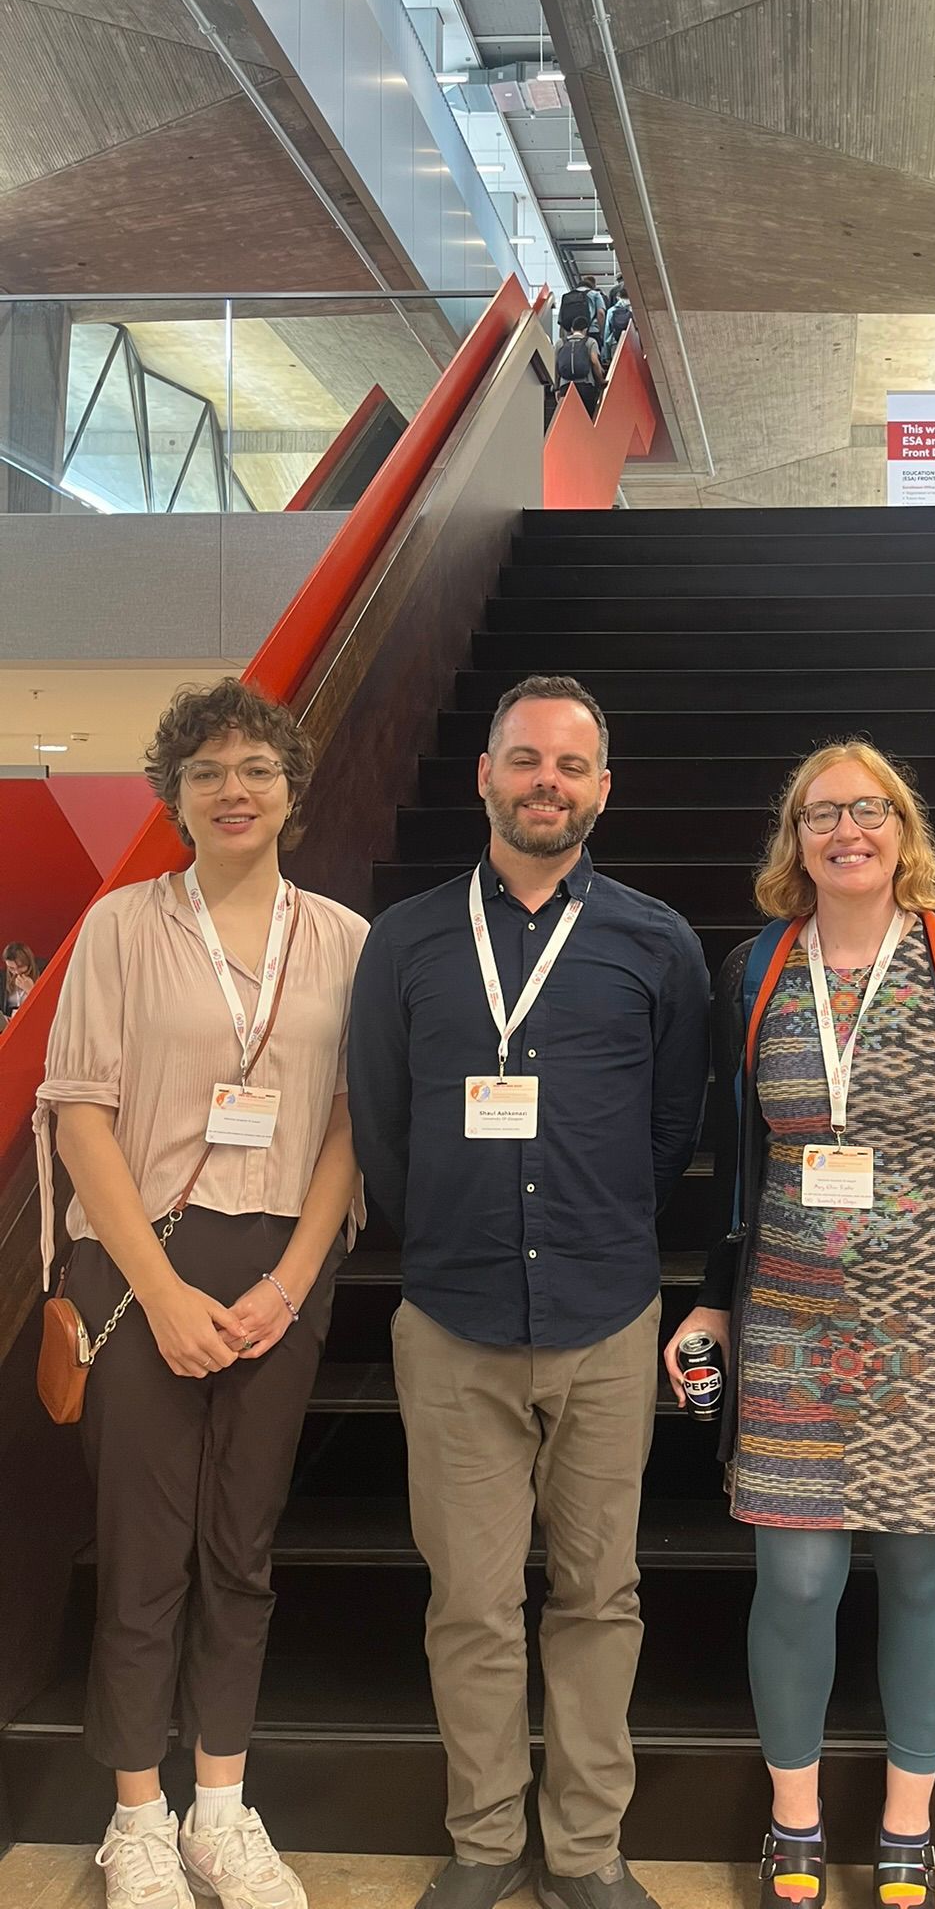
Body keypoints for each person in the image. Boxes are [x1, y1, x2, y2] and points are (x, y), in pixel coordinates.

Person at [667, 741, 935, 1909]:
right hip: (785, 1320)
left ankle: (905, 1824)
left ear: (903, 828)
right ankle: (794, 1822)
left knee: (924, 1575)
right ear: (794, 837)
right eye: (822, 810)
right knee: (791, 1581)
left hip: (929, 1321)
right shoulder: (752, 971)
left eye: (870, 808)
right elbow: (738, 1162)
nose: (849, 828)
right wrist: (713, 1298)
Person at [348, 674, 710, 1909]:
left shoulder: (656, 940)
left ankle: (589, 1847)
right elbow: (382, 1125)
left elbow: (672, 1129)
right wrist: (451, 1231)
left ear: (603, 787)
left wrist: (603, 1232)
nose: (545, 781)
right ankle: (488, 1838)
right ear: (486, 775)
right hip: (451, 1320)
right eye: (524, 759)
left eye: (571, 764)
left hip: (608, 1317)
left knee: (600, 1595)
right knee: (472, 1601)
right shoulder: (404, 939)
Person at [35, 677, 368, 1909]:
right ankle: (138, 1817)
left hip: (281, 1264)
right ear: (175, 797)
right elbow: (78, 1117)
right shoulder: (123, 924)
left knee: (241, 1546)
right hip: (141, 1264)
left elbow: (349, 1124)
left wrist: (290, 1281)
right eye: (209, 771)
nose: (235, 790)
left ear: (291, 787)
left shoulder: (344, 938)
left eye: (257, 769)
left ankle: (222, 1805)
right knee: (141, 1551)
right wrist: (163, 1289)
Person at [555, 321, 605, 421]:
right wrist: (601, 380)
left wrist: (557, 388)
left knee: (569, 419)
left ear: (572, 329)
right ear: (585, 329)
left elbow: (556, 366)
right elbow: (594, 361)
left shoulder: (560, 343)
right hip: (586, 386)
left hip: (566, 386)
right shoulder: (590, 342)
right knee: (587, 419)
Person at [3, 940, 38, 1016]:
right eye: (11, 968)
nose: (16, 972)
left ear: (29, 963)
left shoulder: (43, 972)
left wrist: (31, 990)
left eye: (20, 967)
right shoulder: (3, 979)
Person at [601, 290, 634, 369]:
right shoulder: (634, 309)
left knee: (618, 370)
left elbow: (607, 333)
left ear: (618, 297)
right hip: (633, 344)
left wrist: (607, 355)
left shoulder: (611, 311)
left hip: (616, 344)